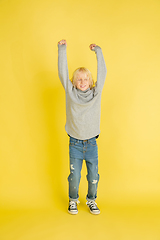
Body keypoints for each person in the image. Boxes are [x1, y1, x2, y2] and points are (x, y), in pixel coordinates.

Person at [58, 39, 107, 215]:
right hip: (75, 144)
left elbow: (103, 74)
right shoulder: (70, 93)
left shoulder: (96, 93)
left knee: (93, 177)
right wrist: (62, 49)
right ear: (73, 81)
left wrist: (98, 52)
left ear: (91, 81)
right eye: (79, 79)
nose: (83, 81)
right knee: (75, 177)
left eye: (86, 78)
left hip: (92, 143)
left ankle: (91, 200)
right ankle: (73, 200)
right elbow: (63, 73)